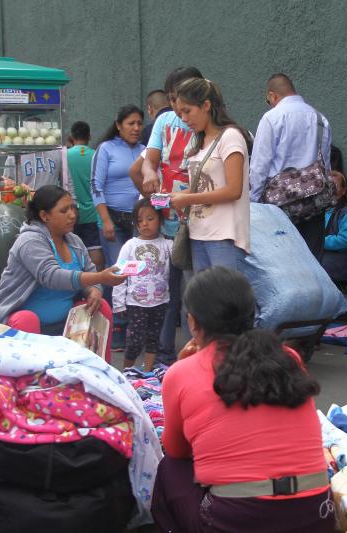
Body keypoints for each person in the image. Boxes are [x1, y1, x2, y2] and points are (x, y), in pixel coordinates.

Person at [151, 267, 334, 532]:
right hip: (316, 514)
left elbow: (177, 450)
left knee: (170, 468)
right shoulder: (288, 357)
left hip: (238, 519)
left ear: (192, 322)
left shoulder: (181, 373)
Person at [0, 185, 127, 358]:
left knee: (100, 306)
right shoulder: (29, 240)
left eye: (72, 208)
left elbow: (89, 272)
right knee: (26, 319)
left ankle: (97, 373)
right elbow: (51, 276)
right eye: (64, 211)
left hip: (65, 324)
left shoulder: (74, 241)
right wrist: (100, 277)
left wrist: (94, 289)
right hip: (19, 325)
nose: (72, 215)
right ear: (44, 216)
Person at [132, 66, 203, 364]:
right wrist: (149, 178)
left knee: (191, 295)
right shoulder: (164, 121)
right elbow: (146, 164)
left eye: (182, 99)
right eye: (173, 99)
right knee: (163, 294)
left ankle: (192, 354)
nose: (177, 106)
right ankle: (161, 354)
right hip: (164, 223)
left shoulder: (205, 124)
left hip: (194, 225)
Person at [169, 78, 252, 273]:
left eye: (187, 111)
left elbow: (233, 190)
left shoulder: (230, 136)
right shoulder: (199, 141)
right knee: (205, 300)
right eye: (180, 113)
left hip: (224, 235)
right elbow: (206, 187)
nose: (184, 118)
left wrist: (188, 198)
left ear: (206, 105)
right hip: (198, 233)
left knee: (225, 299)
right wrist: (175, 198)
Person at [249, 73, 332, 257]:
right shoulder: (320, 119)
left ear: (273, 96)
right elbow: (326, 165)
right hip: (314, 204)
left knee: (282, 262)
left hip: (279, 207)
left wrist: (254, 201)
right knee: (313, 261)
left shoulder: (271, 118)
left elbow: (259, 166)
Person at [113, 199, 172, 371]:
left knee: (154, 339)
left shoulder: (167, 244)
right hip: (136, 302)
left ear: (160, 220)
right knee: (135, 341)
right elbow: (119, 273)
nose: (144, 224)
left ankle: (147, 373)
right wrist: (118, 302)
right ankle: (126, 373)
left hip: (160, 301)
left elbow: (181, 254)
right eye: (140, 220)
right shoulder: (130, 245)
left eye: (150, 218)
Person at [92, 105, 145, 267]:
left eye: (139, 123)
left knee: (139, 270)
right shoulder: (106, 148)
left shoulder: (145, 150)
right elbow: (95, 186)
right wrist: (106, 221)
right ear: (118, 125)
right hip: (113, 221)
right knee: (118, 270)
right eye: (131, 123)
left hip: (140, 222)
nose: (136, 128)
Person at [66, 121, 103, 270]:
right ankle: (97, 282)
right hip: (94, 212)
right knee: (94, 248)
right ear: (89, 136)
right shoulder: (96, 155)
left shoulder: (65, 155)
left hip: (70, 211)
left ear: (71, 136)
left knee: (70, 248)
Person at [321, 170, 347, 290]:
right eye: (328, 187)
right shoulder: (322, 209)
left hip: (340, 264)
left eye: (335, 186)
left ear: (343, 191)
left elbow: (346, 240)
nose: (331, 190)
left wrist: (320, 242)